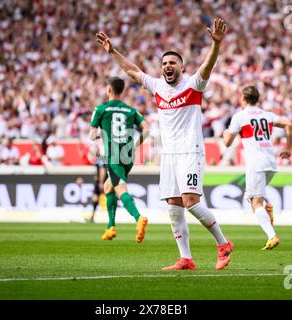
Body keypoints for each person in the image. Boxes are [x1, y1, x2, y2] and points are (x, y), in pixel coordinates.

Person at [96, 17, 233, 271]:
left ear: (181, 67)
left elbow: (208, 65)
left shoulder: (193, 84)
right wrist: (113, 51)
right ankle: (186, 258)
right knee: (173, 204)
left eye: (173, 63)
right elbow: (133, 72)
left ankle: (223, 244)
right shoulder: (158, 86)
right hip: (169, 154)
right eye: (165, 63)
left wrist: (216, 44)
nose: (168, 66)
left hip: (190, 151)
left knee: (191, 201)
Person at [223, 85, 292, 250]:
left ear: (243, 98)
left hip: (256, 163)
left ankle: (272, 236)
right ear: (258, 99)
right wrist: (288, 149)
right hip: (271, 163)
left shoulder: (240, 116)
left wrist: (226, 132)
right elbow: (289, 124)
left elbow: (227, 143)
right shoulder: (267, 115)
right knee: (253, 197)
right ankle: (267, 209)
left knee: (255, 202)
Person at [89, 77, 150, 243]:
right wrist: (135, 145)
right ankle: (111, 227)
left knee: (120, 187)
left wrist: (102, 133)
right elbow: (146, 129)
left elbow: (91, 135)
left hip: (113, 155)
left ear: (109, 90)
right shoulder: (130, 110)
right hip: (128, 155)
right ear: (121, 91)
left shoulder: (101, 109)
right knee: (108, 186)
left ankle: (139, 218)